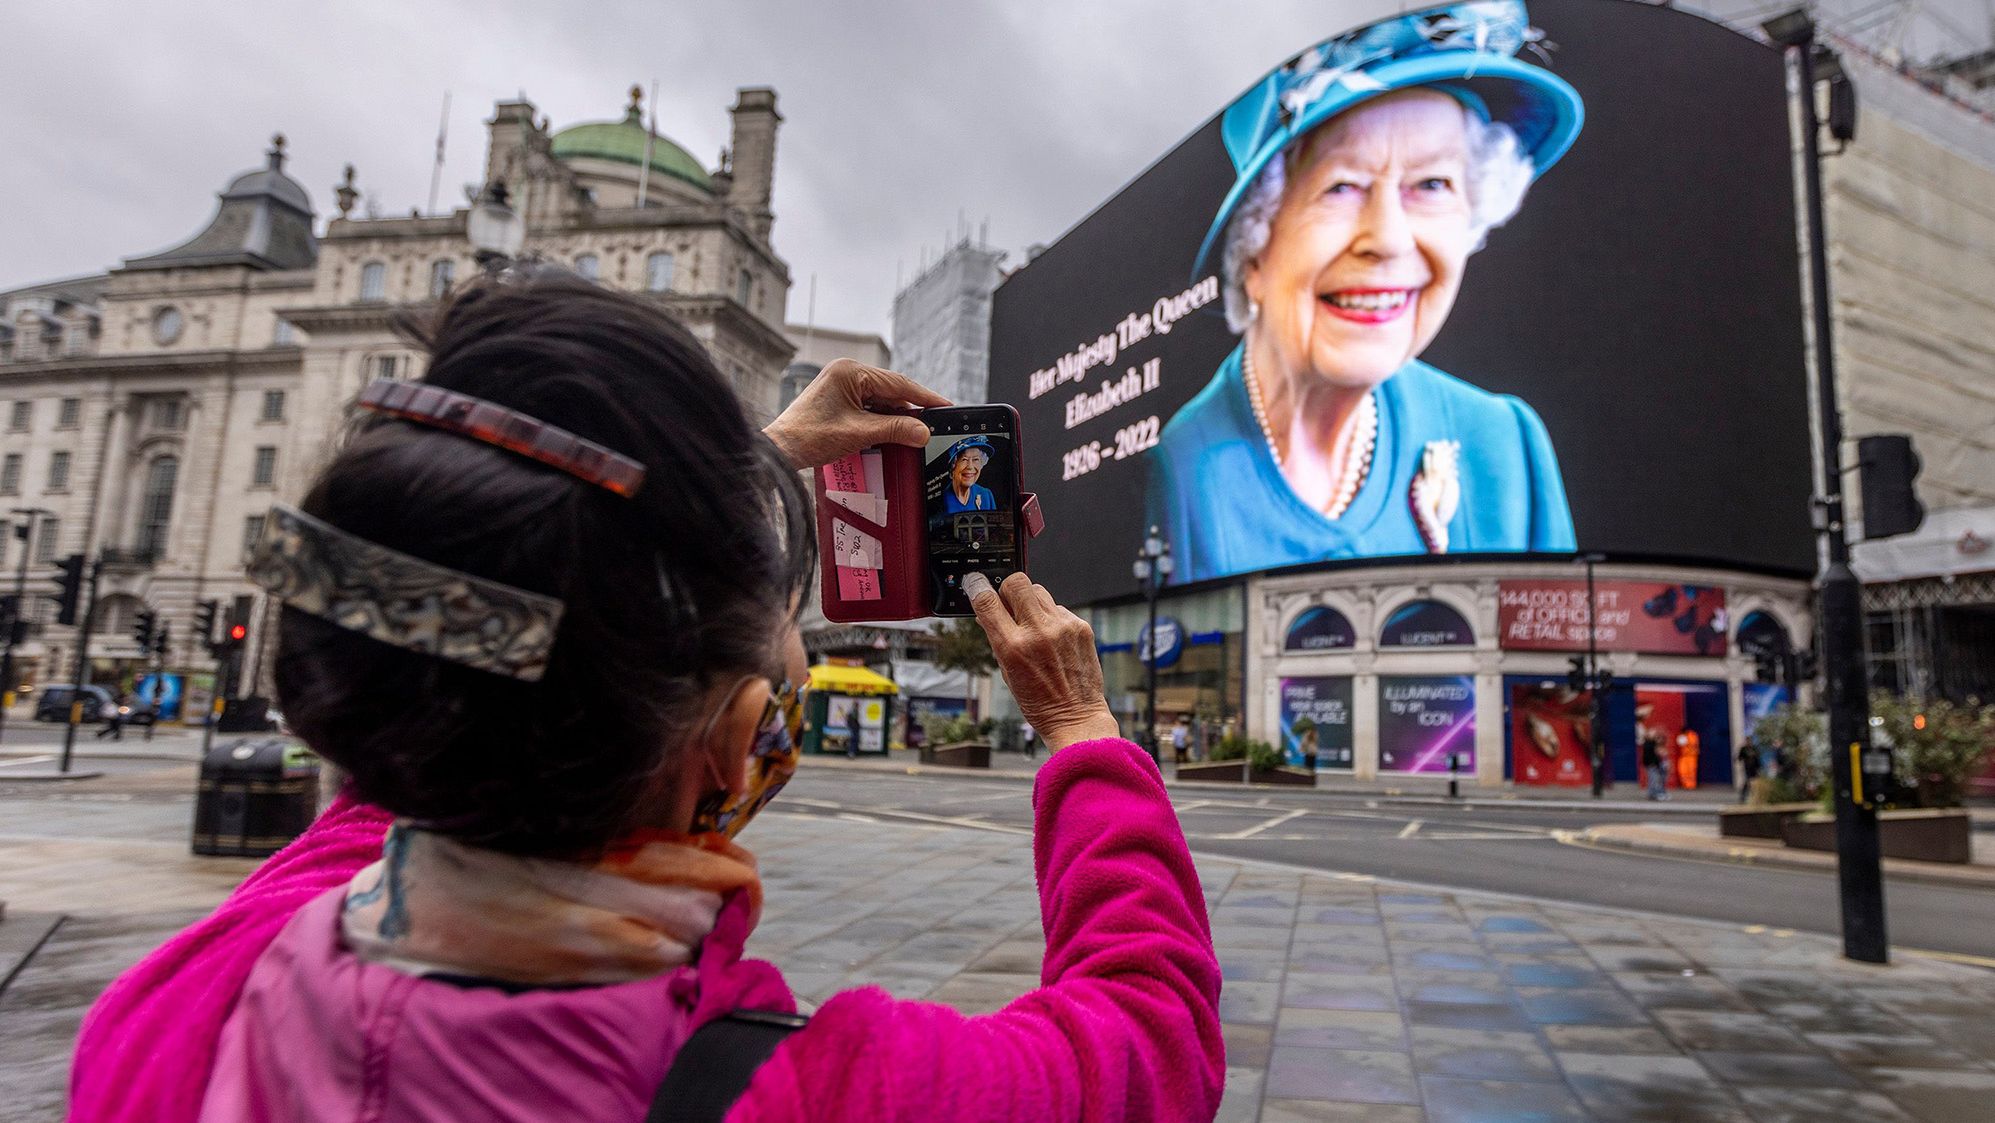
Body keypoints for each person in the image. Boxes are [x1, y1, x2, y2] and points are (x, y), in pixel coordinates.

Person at [69, 269, 1223, 1123]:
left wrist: (706, 501)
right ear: (734, 742)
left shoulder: (170, 1012)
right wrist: (1081, 733)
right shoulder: (828, 1095)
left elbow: (434, 708)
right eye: (782, 640)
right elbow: (1150, 1032)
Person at [1149, 0, 1583, 582]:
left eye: (1432, 183)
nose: (1389, 240)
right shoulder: (1177, 472)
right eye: (1342, 187)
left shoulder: (1505, 447)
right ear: (1252, 252)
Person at [941, 437, 997, 513]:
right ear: (953, 465)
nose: (970, 466)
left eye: (976, 459)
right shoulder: (941, 500)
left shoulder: (986, 496)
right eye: (964, 459)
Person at [1642, 733, 1668, 801]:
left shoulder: (1653, 745)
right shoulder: (1649, 745)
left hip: (1656, 765)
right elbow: (1650, 756)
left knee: (1658, 780)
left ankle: (1657, 793)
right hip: (1653, 765)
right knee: (1654, 780)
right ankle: (1654, 794)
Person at [1736, 739, 1762, 804]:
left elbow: (1757, 759)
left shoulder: (1754, 749)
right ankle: (1743, 796)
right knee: (1748, 782)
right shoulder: (1744, 749)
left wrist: (1759, 768)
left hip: (1754, 768)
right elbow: (1739, 757)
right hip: (1747, 768)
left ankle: (1755, 796)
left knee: (1755, 782)